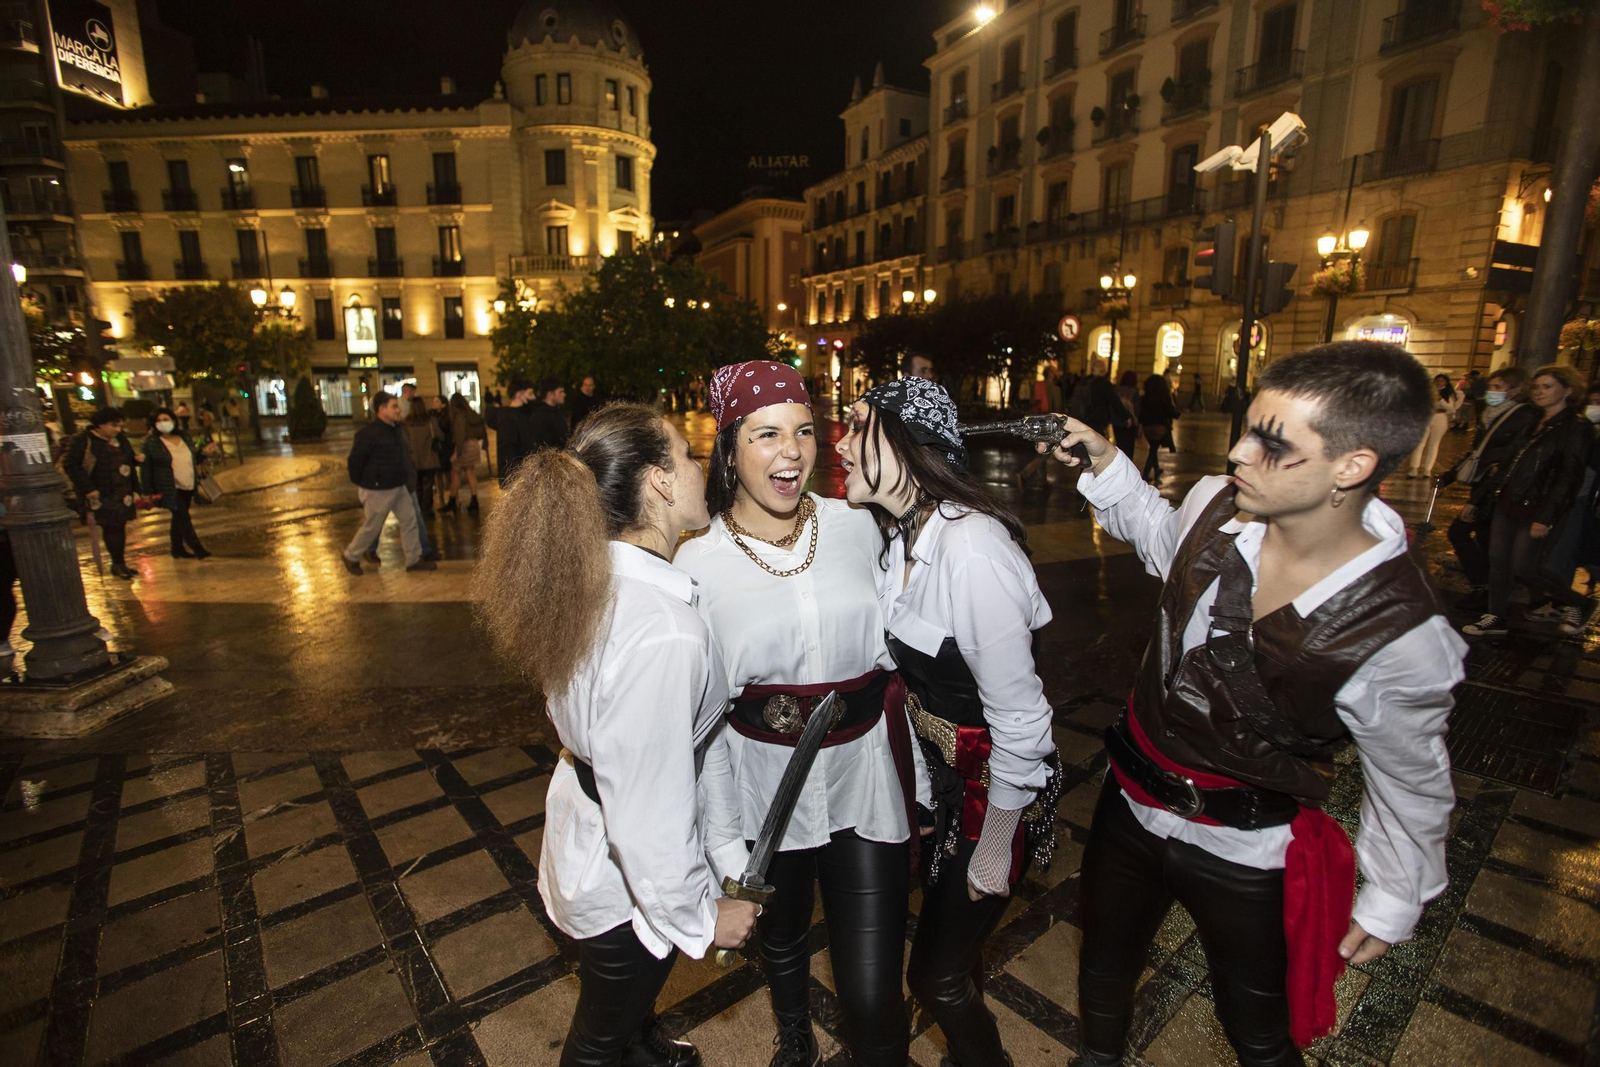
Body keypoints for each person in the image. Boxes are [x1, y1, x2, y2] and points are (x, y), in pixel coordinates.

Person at [1041, 341, 1466, 1067]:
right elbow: (1161, 538)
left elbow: (1411, 777)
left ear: (1352, 465)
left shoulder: (1400, 633)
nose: (1238, 451)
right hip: (1130, 805)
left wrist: (1397, 892)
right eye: (1249, 427)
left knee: (1259, 1030)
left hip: (1244, 847)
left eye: (1271, 442)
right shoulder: (1217, 502)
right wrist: (1107, 463)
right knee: (1102, 973)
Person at [473, 402, 756, 1067]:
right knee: (597, 1044)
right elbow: (648, 815)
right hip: (623, 883)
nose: (698, 467)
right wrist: (702, 916)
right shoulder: (661, 629)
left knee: (621, 1025)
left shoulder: (587, 582)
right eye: (686, 455)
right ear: (658, 480)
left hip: (587, 846)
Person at [674, 361, 926, 1067]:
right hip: (763, 790)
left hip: (863, 783)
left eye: (805, 430)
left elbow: (906, 658)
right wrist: (725, 847)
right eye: (767, 434)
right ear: (729, 448)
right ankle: (793, 1030)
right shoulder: (698, 563)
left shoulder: (858, 527)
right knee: (780, 937)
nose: (792, 449)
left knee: (874, 991)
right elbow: (703, 729)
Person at [836, 378, 1060, 1067]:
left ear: (908, 445)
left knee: (932, 976)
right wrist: (930, 796)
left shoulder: (973, 550)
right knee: (953, 959)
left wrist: (995, 839)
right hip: (953, 789)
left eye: (855, 427)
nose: (839, 443)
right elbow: (920, 690)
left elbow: (1024, 720)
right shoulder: (901, 536)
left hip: (1000, 798)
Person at [1464, 365, 1596, 637]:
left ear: (1567, 390)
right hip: (1510, 498)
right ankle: (1495, 616)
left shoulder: (1574, 427)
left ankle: (1580, 602)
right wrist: (1479, 498)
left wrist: (1546, 516)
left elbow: (1568, 476)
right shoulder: (1532, 419)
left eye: (1547, 386)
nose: (1540, 392)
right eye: (1536, 387)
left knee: (1525, 566)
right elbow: (1510, 461)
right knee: (1498, 561)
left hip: (1537, 504)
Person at [1443, 368, 1538, 612]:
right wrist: (1450, 476)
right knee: (1486, 539)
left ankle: (1485, 589)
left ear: (1515, 390)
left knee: (1460, 532)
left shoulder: (1524, 416)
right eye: (1491, 387)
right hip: (1484, 485)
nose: (1491, 392)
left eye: (1498, 387)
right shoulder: (1491, 414)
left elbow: (1505, 460)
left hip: (1497, 490)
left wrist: (1476, 499)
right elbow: (1478, 453)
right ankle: (1488, 590)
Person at [341, 392, 435, 575]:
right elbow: (355, 462)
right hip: (378, 489)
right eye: (394, 406)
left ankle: (414, 559)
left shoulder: (396, 429)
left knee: (409, 520)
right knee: (372, 527)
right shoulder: (368, 434)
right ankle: (351, 555)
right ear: (382, 409)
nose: (398, 410)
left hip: (398, 486)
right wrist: (366, 482)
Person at [63, 407, 141, 580]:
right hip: (100, 493)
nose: (118, 430)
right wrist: (88, 488)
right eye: (114, 426)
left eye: (120, 426)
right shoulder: (83, 440)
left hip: (122, 491)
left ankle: (120, 563)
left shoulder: (119, 439)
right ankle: (117, 563)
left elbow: (128, 458)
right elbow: (71, 465)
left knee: (119, 526)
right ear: (100, 424)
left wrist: (136, 461)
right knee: (112, 527)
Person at [141, 407, 214, 560]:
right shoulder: (151, 443)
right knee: (183, 516)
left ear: (173, 420)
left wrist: (204, 453)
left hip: (187, 483)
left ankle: (177, 548)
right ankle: (197, 548)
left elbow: (193, 458)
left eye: (166, 419)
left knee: (178, 518)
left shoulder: (184, 437)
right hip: (168, 486)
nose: (163, 423)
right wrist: (146, 490)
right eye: (158, 421)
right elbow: (146, 468)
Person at [1070, 358, 1135, 444]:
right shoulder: (1103, 383)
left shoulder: (1083, 381)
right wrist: (1126, 416)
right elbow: (1114, 401)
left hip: (1082, 418)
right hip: (1097, 420)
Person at [1407, 373, 1461, 478]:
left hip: (1440, 418)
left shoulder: (1448, 394)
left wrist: (1440, 399)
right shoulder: (1427, 392)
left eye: (1442, 381)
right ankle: (1414, 468)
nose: (1439, 383)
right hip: (1427, 417)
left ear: (1446, 382)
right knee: (1420, 444)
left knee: (1433, 445)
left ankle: (1427, 470)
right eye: (1437, 381)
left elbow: (1450, 408)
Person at [488, 379, 539, 488]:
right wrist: (516, 478)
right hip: (517, 480)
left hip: (527, 475)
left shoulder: (524, 414)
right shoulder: (507, 418)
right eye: (530, 393)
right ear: (519, 394)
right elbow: (508, 450)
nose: (534, 397)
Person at [446, 393, 487, 514]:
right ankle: (473, 500)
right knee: (470, 472)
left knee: (456, 472)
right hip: (474, 445)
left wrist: (456, 453)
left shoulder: (459, 416)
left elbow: (459, 436)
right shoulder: (471, 413)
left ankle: (453, 501)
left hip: (464, 446)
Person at [1139, 373, 1181, 483]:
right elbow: (1170, 411)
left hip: (1147, 427)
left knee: (1153, 447)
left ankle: (1156, 470)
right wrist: (1176, 414)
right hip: (1159, 427)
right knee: (1153, 449)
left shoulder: (1145, 397)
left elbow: (1141, 412)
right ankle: (1145, 474)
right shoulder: (1163, 397)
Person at [405, 397, 442, 517]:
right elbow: (440, 436)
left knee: (416, 486)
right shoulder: (430, 421)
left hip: (412, 460)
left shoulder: (406, 423)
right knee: (428, 485)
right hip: (429, 459)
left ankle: (417, 509)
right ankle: (427, 510)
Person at [530, 377, 571, 454]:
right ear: (550, 394)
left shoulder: (557, 411)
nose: (564, 395)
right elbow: (543, 446)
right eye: (561, 392)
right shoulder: (539, 416)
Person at [428, 395, 454, 510]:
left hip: (446, 449)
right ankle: (442, 501)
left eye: (437, 401)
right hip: (436, 449)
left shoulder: (446, 417)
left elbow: (442, 435)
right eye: (433, 401)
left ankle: (454, 499)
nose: (434, 403)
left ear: (443, 404)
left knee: (449, 476)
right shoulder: (433, 416)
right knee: (438, 476)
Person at [1113, 370, 1141, 459]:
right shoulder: (1134, 392)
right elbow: (1137, 409)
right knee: (1129, 448)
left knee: (1120, 446)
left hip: (1117, 422)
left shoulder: (1116, 390)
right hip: (1131, 423)